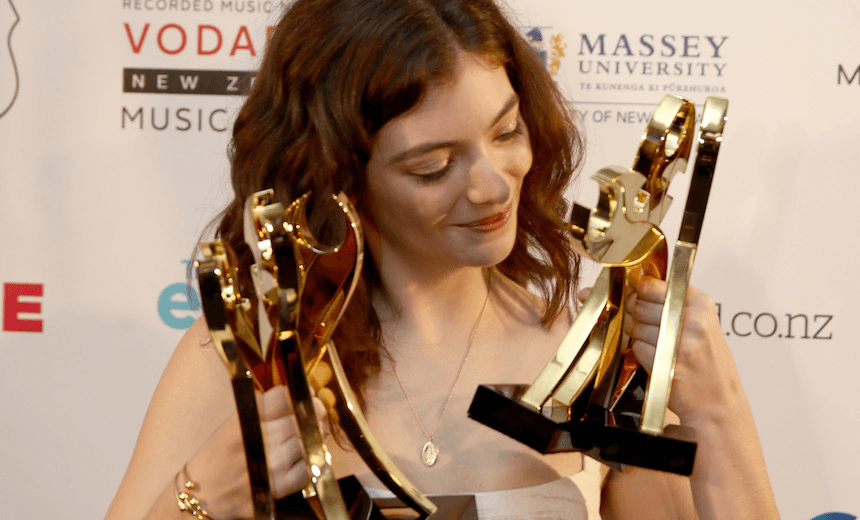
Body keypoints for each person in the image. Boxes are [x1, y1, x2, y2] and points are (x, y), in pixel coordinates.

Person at [107, 0, 779, 518]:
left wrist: (718, 411)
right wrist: (201, 497)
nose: (492, 186)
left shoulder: (589, 363)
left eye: (507, 131)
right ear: (340, 176)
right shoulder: (256, 360)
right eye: (432, 166)